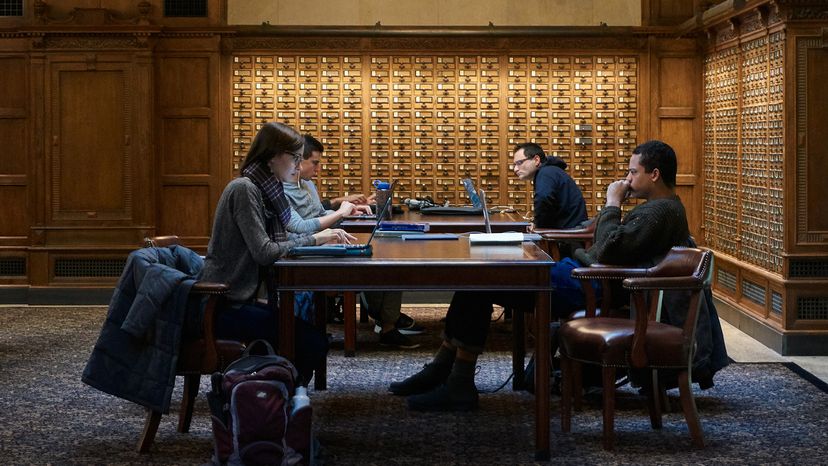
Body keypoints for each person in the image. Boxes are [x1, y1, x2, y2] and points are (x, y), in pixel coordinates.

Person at [390, 140, 692, 411]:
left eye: (632, 172)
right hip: (585, 277)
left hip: (591, 285)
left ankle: (456, 381)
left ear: (654, 174)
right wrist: (604, 224)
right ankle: (446, 371)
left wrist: (612, 203)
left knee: (480, 281)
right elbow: (608, 246)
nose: (626, 179)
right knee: (477, 278)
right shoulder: (658, 209)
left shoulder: (659, 212)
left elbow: (607, 251)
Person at [199, 122, 356, 385]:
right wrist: (315, 240)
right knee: (313, 342)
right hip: (226, 303)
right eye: (294, 157)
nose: (297, 165)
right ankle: (277, 401)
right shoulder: (245, 189)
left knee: (309, 336)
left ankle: (277, 394)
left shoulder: (267, 191)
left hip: (244, 297)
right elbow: (264, 252)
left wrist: (317, 239)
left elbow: (287, 235)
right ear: (272, 157)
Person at [283, 134, 424, 349]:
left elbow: (320, 212)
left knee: (387, 255)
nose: (318, 169)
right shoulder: (283, 190)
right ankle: (387, 322)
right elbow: (301, 227)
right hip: (311, 248)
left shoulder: (307, 185)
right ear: (297, 161)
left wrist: (347, 211)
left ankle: (388, 320)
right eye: (315, 163)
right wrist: (340, 213)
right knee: (372, 260)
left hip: (326, 239)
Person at [512, 142, 587, 230]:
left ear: (536, 160)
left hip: (567, 238)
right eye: (515, 165)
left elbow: (543, 198)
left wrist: (538, 227)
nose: (515, 169)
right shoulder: (551, 171)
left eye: (520, 163)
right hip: (568, 233)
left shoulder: (546, 173)